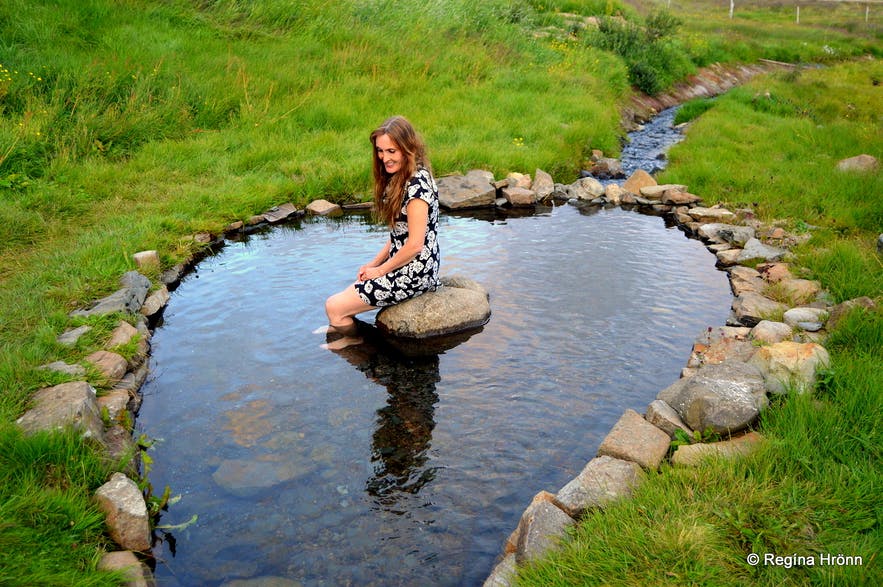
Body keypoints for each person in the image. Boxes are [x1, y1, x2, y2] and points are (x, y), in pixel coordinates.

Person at [323, 116, 440, 346]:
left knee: (333, 306)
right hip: (404, 264)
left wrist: (381, 270)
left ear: (408, 148)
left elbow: (415, 244)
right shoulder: (401, 177)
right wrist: (373, 265)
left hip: (416, 272)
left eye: (391, 151)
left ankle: (360, 344)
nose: (384, 158)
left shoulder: (417, 187)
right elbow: (399, 235)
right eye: (380, 151)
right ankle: (339, 328)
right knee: (350, 290)